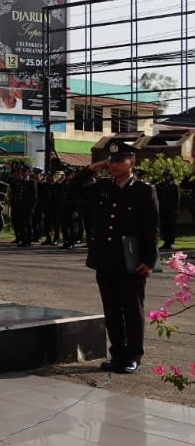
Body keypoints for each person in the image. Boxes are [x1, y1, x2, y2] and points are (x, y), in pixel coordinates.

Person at [68, 141, 158, 374]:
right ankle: (117, 354)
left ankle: (133, 356)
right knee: (112, 310)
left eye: (120, 160)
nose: (114, 165)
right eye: (111, 161)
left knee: (132, 310)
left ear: (132, 162)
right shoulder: (103, 186)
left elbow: (151, 229)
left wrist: (150, 261)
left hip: (131, 260)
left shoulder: (144, 190)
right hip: (106, 258)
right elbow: (73, 189)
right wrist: (92, 168)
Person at [9, 164, 37, 247]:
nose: (23, 173)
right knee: (21, 223)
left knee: (28, 223)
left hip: (27, 207)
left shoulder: (32, 182)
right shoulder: (19, 181)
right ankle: (23, 239)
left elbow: (34, 196)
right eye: (22, 171)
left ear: (28, 172)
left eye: (24, 171)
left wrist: (32, 207)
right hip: (19, 206)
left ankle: (28, 240)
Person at [155, 170, 179, 250]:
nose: (166, 177)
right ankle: (166, 242)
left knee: (171, 227)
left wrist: (176, 210)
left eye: (168, 175)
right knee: (164, 226)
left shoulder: (174, 185)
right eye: (165, 175)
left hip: (171, 210)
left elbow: (176, 199)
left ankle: (171, 243)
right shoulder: (160, 185)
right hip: (162, 209)